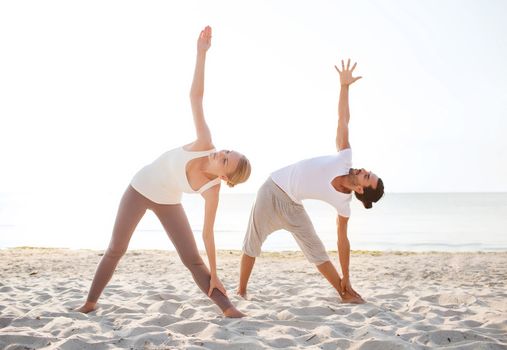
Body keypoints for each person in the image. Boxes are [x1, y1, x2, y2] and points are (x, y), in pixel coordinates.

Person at [77, 26, 251, 318]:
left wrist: (217, 274)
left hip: (168, 201)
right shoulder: (204, 142)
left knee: (193, 260)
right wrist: (201, 54)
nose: (220, 153)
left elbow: (208, 235)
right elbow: (196, 97)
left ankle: (229, 309)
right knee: (116, 249)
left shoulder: (213, 191)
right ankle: (90, 302)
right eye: (227, 152)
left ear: (223, 177)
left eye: (224, 161)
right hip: (140, 188)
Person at [237, 59, 383, 304]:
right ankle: (240, 292)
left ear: (359, 189)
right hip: (272, 189)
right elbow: (343, 120)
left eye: (366, 176)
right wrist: (344, 86)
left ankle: (345, 293)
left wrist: (347, 275)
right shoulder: (344, 157)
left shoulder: (343, 204)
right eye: (368, 171)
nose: (364, 170)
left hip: (293, 205)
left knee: (317, 251)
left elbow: (342, 241)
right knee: (252, 243)